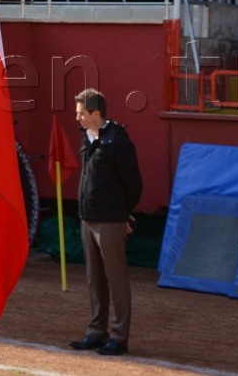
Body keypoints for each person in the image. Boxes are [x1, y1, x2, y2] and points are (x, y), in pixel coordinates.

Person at [70, 89, 143, 358]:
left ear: (96, 113)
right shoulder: (87, 138)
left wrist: (125, 214)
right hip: (88, 218)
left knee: (116, 280)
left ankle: (119, 337)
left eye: (81, 113)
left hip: (110, 221)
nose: (77, 118)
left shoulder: (118, 141)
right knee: (95, 279)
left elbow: (133, 184)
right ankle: (96, 332)